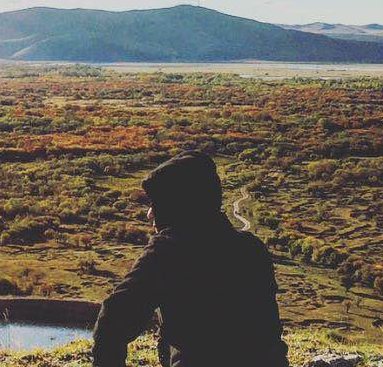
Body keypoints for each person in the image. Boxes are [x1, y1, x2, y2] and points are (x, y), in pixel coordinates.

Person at [92, 152, 289, 367]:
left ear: (175, 205)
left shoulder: (169, 250)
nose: (149, 214)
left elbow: (112, 321)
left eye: (156, 203)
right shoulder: (251, 247)